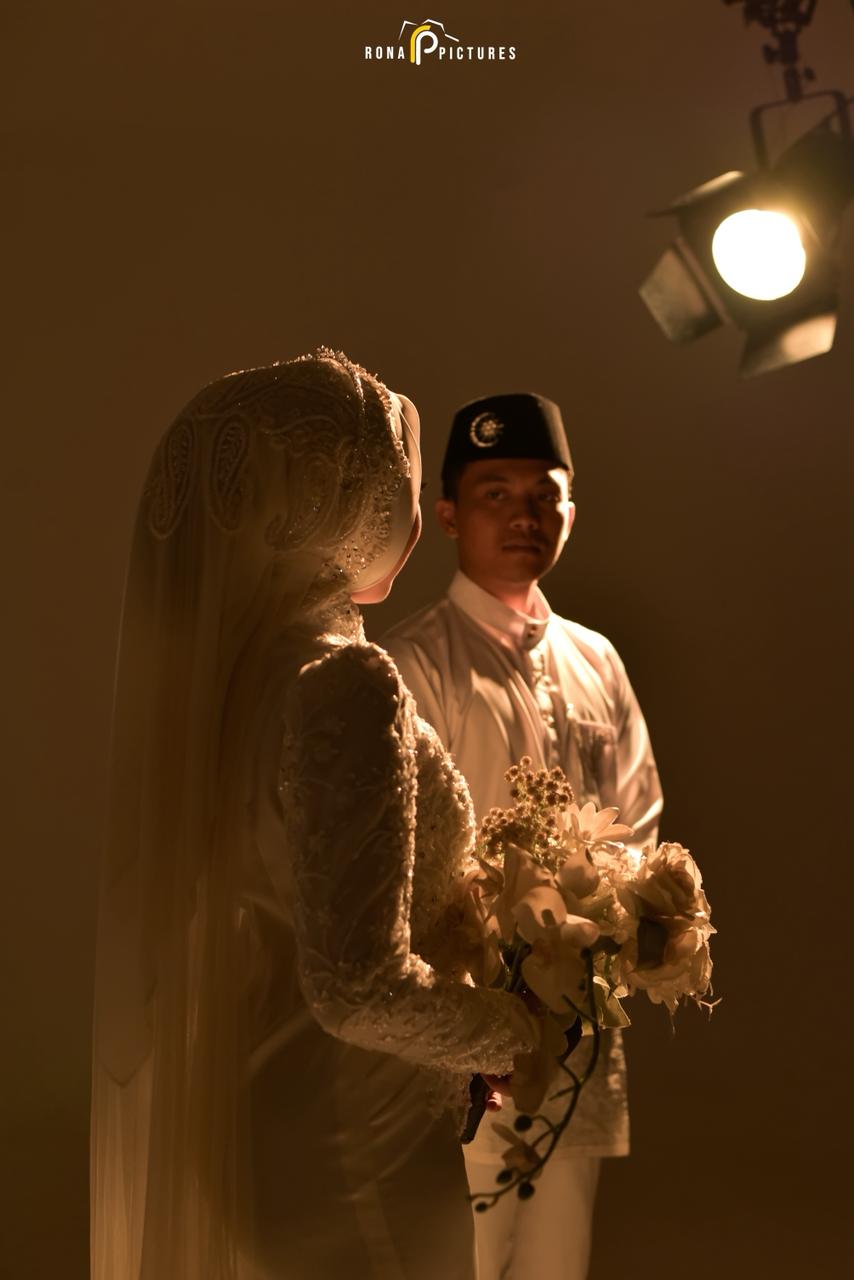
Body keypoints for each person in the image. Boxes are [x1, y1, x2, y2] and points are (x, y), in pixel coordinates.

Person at [89, 352, 539, 1280]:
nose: (405, 516)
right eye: (388, 484)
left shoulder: (228, 693)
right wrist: (515, 1029)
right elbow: (357, 987)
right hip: (355, 1142)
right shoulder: (342, 683)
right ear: (334, 502)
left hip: (262, 1121)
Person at [383, 392, 663, 1280]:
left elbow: (638, 819)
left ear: (570, 511)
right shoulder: (413, 663)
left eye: (545, 494)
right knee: (459, 1254)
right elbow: (409, 858)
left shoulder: (597, 661)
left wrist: (598, 934)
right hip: (467, 1025)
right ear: (448, 514)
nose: (525, 516)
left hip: (583, 1027)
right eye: (496, 494)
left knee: (557, 1260)